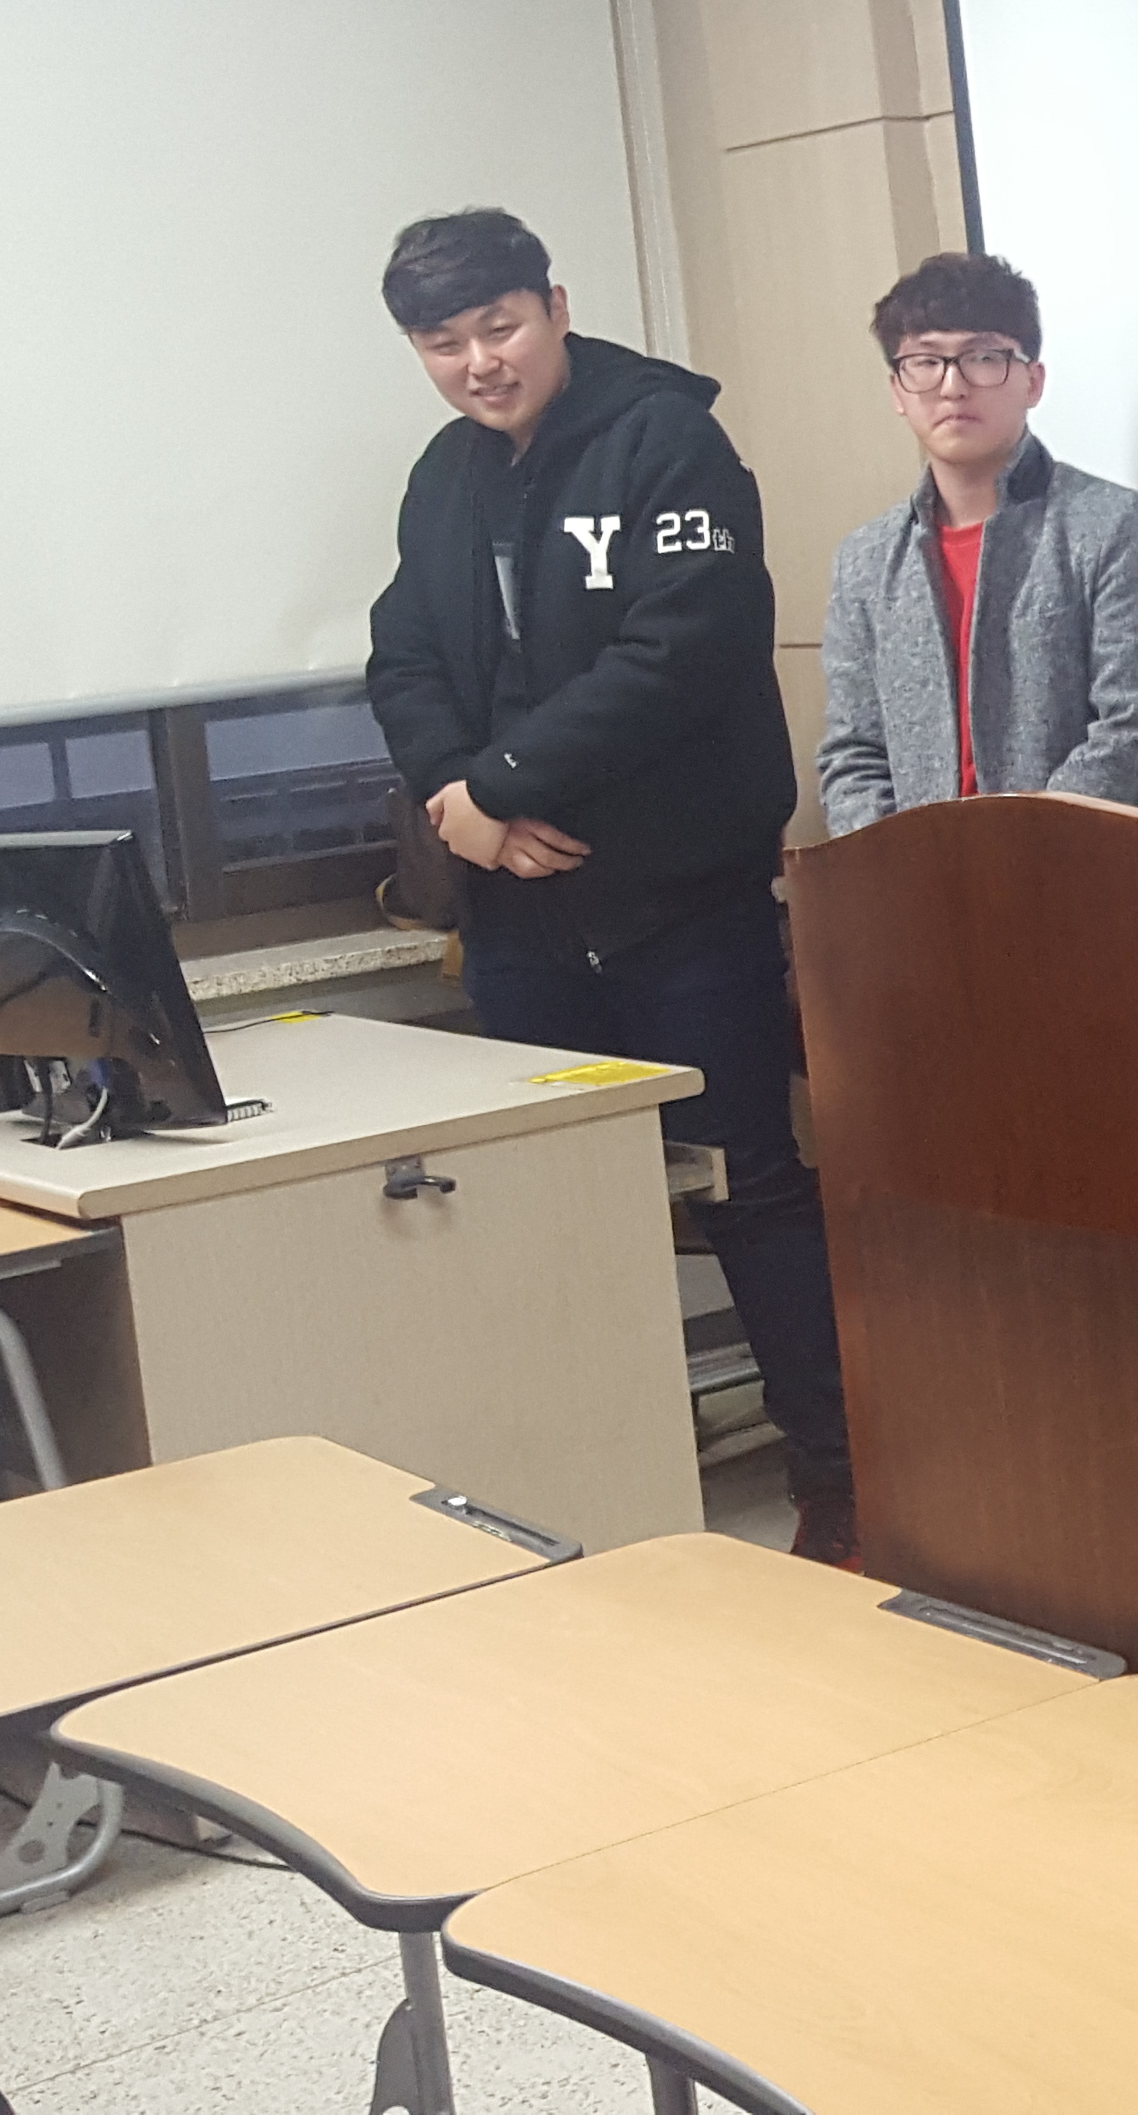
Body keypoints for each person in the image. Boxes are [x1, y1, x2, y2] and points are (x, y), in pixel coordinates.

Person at [360, 209, 856, 1565]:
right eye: (444, 342)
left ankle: (841, 1484)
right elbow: (402, 657)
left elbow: (680, 650)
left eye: (501, 326)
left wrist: (502, 782)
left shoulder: (666, 440)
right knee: (553, 1211)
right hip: (519, 920)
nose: (480, 362)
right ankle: (594, 1495)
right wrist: (461, 804)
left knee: (749, 1190)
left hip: (682, 911)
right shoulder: (444, 477)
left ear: (557, 309)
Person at [817, 251, 1138, 832]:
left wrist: (1005, 855)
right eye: (925, 362)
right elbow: (852, 752)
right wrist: (897, 863)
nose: (953, 386)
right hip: (917, 877)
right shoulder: (866, 560)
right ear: (897, 390)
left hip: (1081, 866)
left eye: (984, 358)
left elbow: (1135, 731)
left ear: (1033, 381)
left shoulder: (1113, 524)